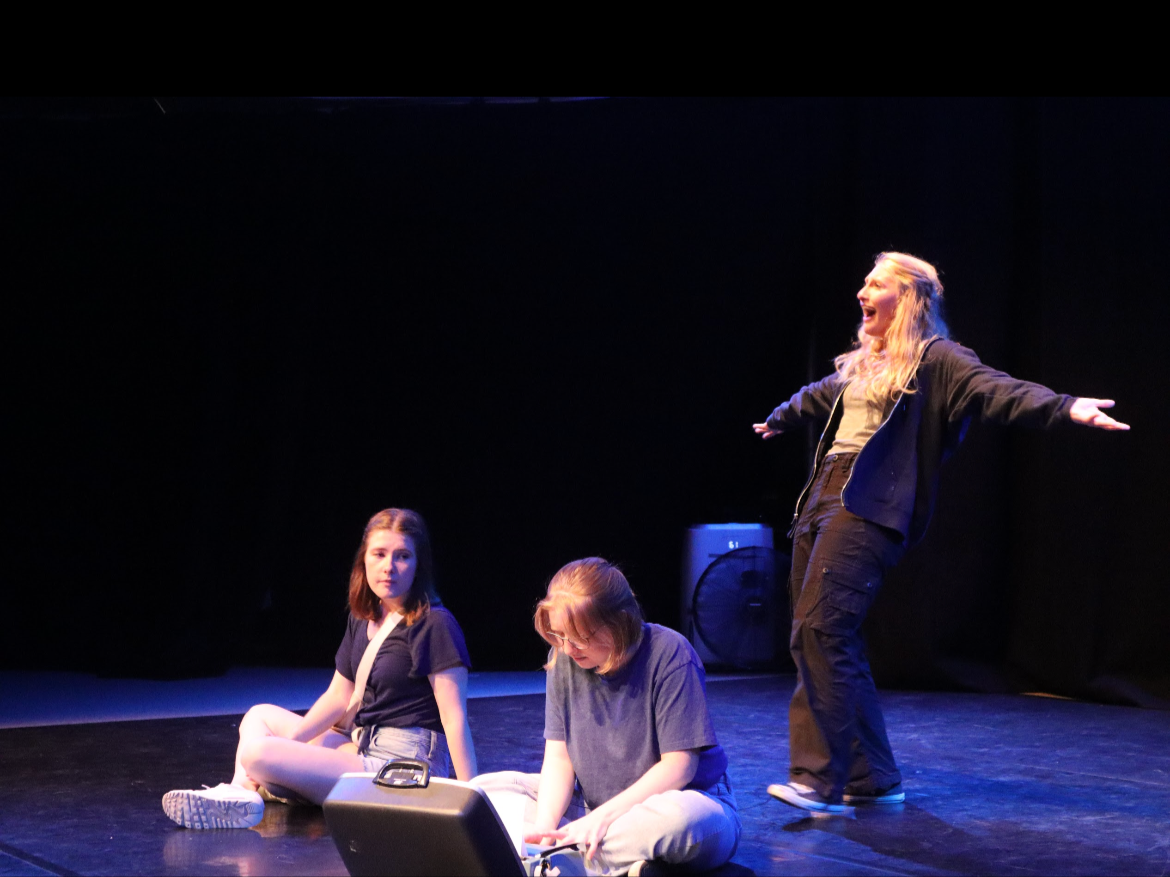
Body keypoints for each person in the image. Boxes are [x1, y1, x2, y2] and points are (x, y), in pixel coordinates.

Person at [752, 252, 1129, 815]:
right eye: (864, 281)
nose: (862, 291)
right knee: (820, 636)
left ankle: (817, 778)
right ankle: (872, 777)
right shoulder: (866, 363)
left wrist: (1067, 407)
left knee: (821, 629)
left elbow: (999, 390)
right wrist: (781, 416)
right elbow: (821, 394)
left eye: (875, 284)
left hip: (869, 503)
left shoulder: (938, 361)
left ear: (908, 298)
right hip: (820, 499)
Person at [162, 507, 477, 829]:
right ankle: (244, 793)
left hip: (404, 767)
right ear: (363, 560)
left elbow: (454, 717)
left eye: (402, 556)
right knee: (259, 716)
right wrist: (292, 744)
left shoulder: (435, 623)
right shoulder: (364, 617)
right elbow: (338, 696)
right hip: (363, 744)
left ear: (418, 564)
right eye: (379, 554)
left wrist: (474, 798)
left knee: (257, 754)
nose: (389, 567)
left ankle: (262, 786)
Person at [473, 558, 741, 877]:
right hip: (592, 808)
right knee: (485, 791)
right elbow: (559, 761)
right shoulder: (563, 657)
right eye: (559, 636)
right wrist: (545, 830)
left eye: (580, 636)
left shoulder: (670, 652)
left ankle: (557, 862)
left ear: (620, 622)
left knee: (682, 821)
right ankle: (571, 857)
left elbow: (680, 766)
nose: (568, 648)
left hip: (679, 803)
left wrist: (603, 819)